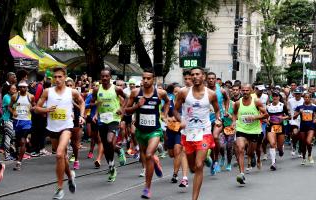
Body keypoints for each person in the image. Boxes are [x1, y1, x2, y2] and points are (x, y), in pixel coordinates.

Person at [35, 67, 84, 199]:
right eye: (55, 77)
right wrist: (45, 110)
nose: (57, 79)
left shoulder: (71, 91)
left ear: (64, 77)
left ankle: (59, 189)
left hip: (66, 127)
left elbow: (82, 102)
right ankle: (70, 176)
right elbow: (36, 109)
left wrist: (82, 116)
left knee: (59, 154)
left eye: (59, 77)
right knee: (62, 157)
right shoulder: (47, 92)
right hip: (52, 128)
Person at [173, 67, 221, 200]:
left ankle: (194, 198)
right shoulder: (183, 92)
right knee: (193, 168)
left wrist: (218, 120)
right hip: (188, 133)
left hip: (204, 133)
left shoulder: (211, 94)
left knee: (199, 165)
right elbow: (175, 110)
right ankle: (206, 159)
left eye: (197, 74)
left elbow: (217, 111)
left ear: (203, 76)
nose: (195, 77)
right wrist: (181, 120)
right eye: (192, 75)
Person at [125, 68, 170, 199]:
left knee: (149, 154)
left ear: (153, 79)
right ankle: (155, 161)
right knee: (145, 157)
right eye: (143, 78)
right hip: (140, 131)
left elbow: (167, 102)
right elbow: (127, 110)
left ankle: (147, 188)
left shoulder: (160, 93)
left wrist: (164, 114)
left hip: (154, 131)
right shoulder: (135, 92)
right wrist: (136, 106)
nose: (145, 80)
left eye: (148, 78)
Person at [92, 68, 127, 182]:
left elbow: (126, 98)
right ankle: (112, 166)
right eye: (103, 76)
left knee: (109, 140)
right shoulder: (96, 90)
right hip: (102, 119)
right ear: (100, 78)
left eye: (107, 76)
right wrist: (96, 113)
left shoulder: (116, 89)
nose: (105, 78)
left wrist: (121, 109)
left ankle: (114, 159)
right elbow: (94, 102)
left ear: (110, 77)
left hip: (114, 119)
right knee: (106, 147)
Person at [232, 84, 268, 184]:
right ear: (240, 91)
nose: (245, 92)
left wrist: (255, 117)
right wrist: (234, 122)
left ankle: (252, 156)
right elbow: (234, 113)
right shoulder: (238, 103)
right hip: (241, 129)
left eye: (247, 90)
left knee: (250, 153)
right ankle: (241, 174)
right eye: (243, 90)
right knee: (240, 149)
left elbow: (266, 114)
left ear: (251, 91)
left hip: (254, 131)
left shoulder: (256, 102)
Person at [206, 72, 230, 175]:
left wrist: (226, 110)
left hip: (218, 118)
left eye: (213, 78)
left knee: (215, 137)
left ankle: (216, 160)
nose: (211, 80)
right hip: (206, 119)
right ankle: (212, 162)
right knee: (209, 143)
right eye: (209, 79)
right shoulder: (203, 90)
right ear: (207, 80)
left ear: (216, 80)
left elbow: (227, 98)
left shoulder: (221, 90)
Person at [9, 81, 35, 170]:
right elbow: (10, 107)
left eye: (24, 87)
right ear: (18, 88)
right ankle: (18, 153)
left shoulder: (31, 97)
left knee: (22, 141)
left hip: (26, 121)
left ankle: (19, 162)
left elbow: (34, 106)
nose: (23, 89)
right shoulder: (15, 96)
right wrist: (13, 111)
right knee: (18, 141)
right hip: (17, 121)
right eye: (21, 87)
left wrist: (32, 109)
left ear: (27, 87)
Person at [266, 91, 289, 170]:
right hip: (271, 126)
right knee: (272, 143)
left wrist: (283, 118)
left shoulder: (282, 106)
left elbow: (289, 116)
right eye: (273, 96)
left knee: (279, 146)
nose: (275, 97)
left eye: (276, 96)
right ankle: (273, 163)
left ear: (279, 97)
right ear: (272, 97)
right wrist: (266, 120)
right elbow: (265, 116)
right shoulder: (268, 106)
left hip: (280, 127)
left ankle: (280, 149)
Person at [293, 93, 316, 165]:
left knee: (308, 142)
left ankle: (309, 155)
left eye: (308, 97)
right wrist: (299, 112)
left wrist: (315, 119)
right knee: (303, 143)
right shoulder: (300, 107)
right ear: (304, 98)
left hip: (311, 127)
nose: (307, 98)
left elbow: (315, 115)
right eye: (305, 97)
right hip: (303, 127)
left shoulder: (314, 107)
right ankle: (303, 158)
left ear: (310, 98)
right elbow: (294, 117)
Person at [1, 84, 17, 161]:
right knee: (8, 137)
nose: (15, 90)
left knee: (12, 137)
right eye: (13, 89)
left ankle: (12, 154)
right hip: (7, 119)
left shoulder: (14, 97)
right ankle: (7, 155)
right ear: (9, 90)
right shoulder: (6, 97)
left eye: (15, 89)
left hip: (13, 119)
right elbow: (13, 106)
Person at [288, 88, 304, 157]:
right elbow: (288, 109)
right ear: (294, 94)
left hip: (303, 120)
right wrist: (288, 114)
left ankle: (300, 150)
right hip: (293, 120)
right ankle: (294, 146)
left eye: (299, 94)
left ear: (301, 94)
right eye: (296, 94)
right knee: (295, 133)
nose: (297, 95)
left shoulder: (304, 100)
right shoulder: (290, 101)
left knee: (301, 136)